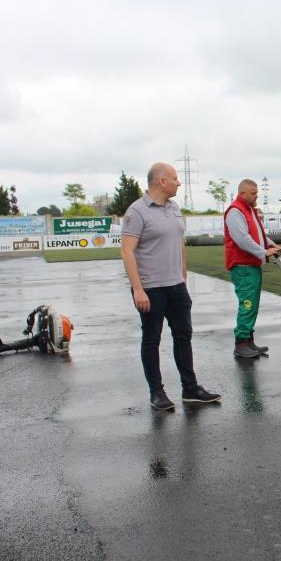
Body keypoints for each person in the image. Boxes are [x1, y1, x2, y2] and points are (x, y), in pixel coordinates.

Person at [121, 163, 222, 411]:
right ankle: (157, 393)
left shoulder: (174, 207)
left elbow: (180, 244)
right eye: (175, 179)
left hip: (176, 286)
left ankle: (190, 389)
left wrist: (183, 274)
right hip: (151, 289)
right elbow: (126, 251)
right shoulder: (136, 212)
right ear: (161, 181)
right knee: (151, 340)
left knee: (183, 336)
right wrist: (137, 289)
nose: (179, 183)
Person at [224, 179, 280, 358]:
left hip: (251, 266)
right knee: (247, 304)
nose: (257, 196)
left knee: (252, 304)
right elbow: (242, 239)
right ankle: (241, 343)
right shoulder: (235, 211)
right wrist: (265, 252)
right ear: (242, 194)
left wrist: (273, 245)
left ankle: (248, 341)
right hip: (242, 266)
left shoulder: (248, 210)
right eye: (254, 193)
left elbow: (259, 235)